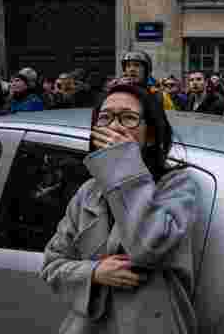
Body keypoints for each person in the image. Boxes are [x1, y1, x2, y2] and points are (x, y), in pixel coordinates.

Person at [40, 83, 198, 334]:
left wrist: (123, 164)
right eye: (105, 118)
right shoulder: (88, 192)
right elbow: (52, 265)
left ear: (151, 135)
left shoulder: (177, 186)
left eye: (128, 118)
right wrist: (94, 273)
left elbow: (149, 247)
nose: (114, 126)